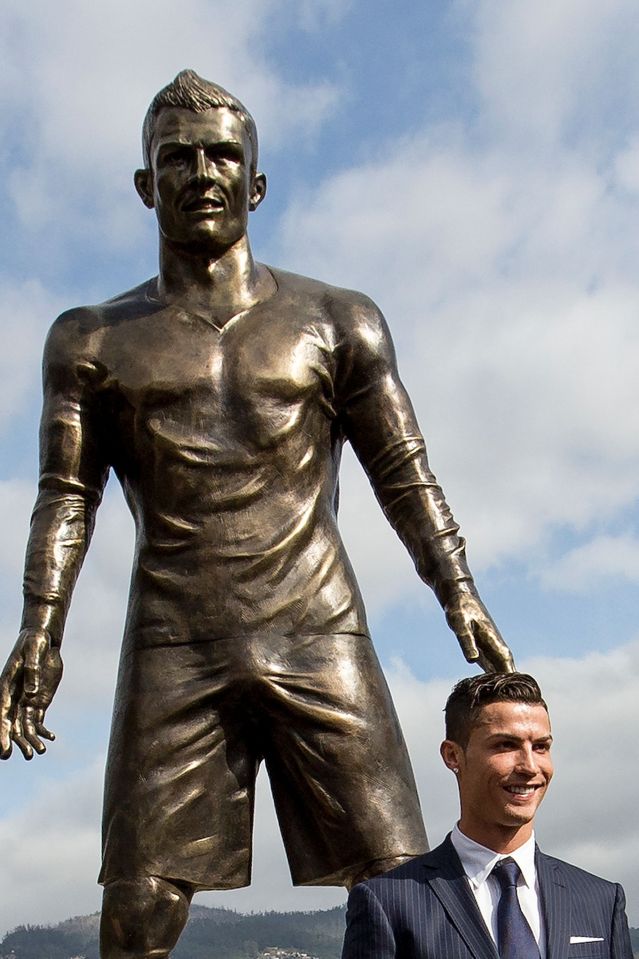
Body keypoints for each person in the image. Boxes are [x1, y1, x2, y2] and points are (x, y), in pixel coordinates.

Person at [0, 71, 514, 958]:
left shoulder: (337, 320)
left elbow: (404, 470)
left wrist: (455, 589)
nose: (202, 172)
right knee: (138, 907)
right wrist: (39, 631)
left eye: (222, 155)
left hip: (318, 625)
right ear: (143, 185)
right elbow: (67, 495)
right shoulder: (90, 339)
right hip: (175, 640)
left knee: (402, 885)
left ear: (257, 183)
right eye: (177, 158)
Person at [342, 672, 633, 959]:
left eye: (541, 747)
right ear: (453, 756)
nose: (530, 766)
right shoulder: (387, 903)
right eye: (506, 745)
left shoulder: (601, 902)